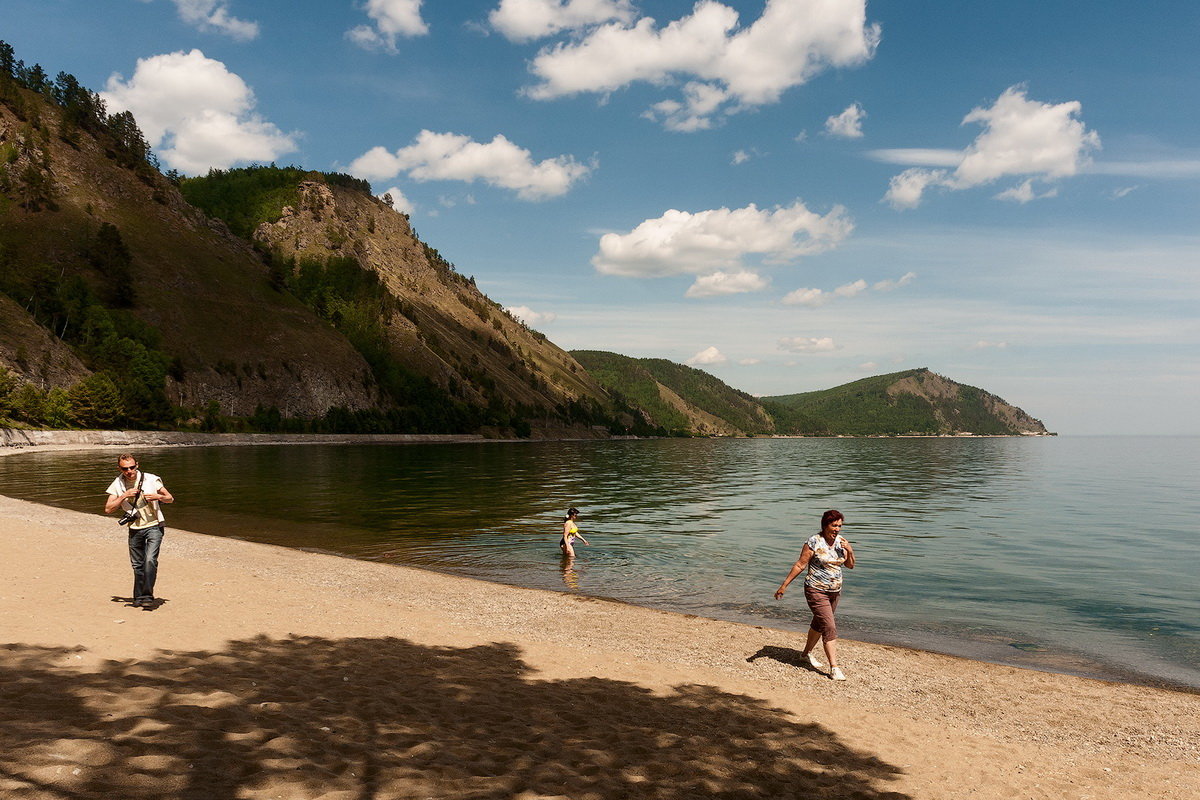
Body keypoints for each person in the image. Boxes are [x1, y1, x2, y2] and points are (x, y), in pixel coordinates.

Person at [774, 509, 855, 680]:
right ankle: (834, 667)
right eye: (834, 525)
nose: (837, 529)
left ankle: (804, 655)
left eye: (840, 526)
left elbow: (850, 565)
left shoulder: (841, 542)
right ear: (825, 525)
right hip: (815, 589)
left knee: (819, 624)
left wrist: (850, 550)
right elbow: (800, 565)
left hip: (835, 591)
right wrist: (784, 586)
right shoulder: (814, 541)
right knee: (829, 627)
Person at [104, 453, 173, 608]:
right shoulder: (117, 483)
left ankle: (147, 595)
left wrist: (157, 496)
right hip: (134, 528)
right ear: (119, 468)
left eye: (132, 467)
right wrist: (124, 496)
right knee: (137, 565)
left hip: (154, 525)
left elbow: (170, 498)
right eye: (125, 468)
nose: (129, 471)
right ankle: (138, 597)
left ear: (137, 465)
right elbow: (108, 509)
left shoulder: (151, 479)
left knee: (150, 560)